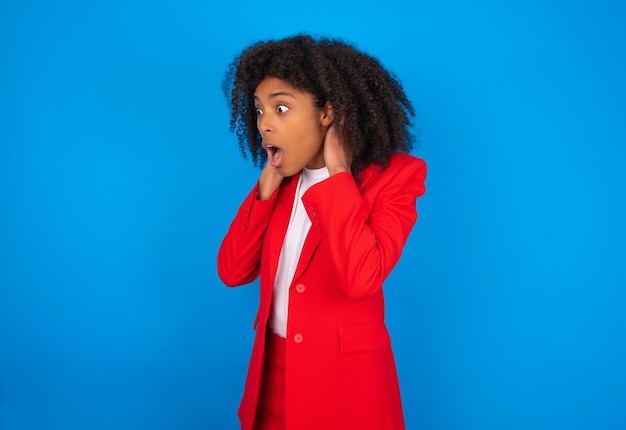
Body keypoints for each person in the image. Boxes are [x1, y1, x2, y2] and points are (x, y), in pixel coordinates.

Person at [217, 34, 427, 430]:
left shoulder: (397, 177)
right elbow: (232, 271)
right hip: (270, 382)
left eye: (281, 108)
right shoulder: (280, 181)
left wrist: (338, 175)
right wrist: (265, 189)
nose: (264, 124)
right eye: (259, 110)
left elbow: (361, 278)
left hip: (346, 391)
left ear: (327, 112)